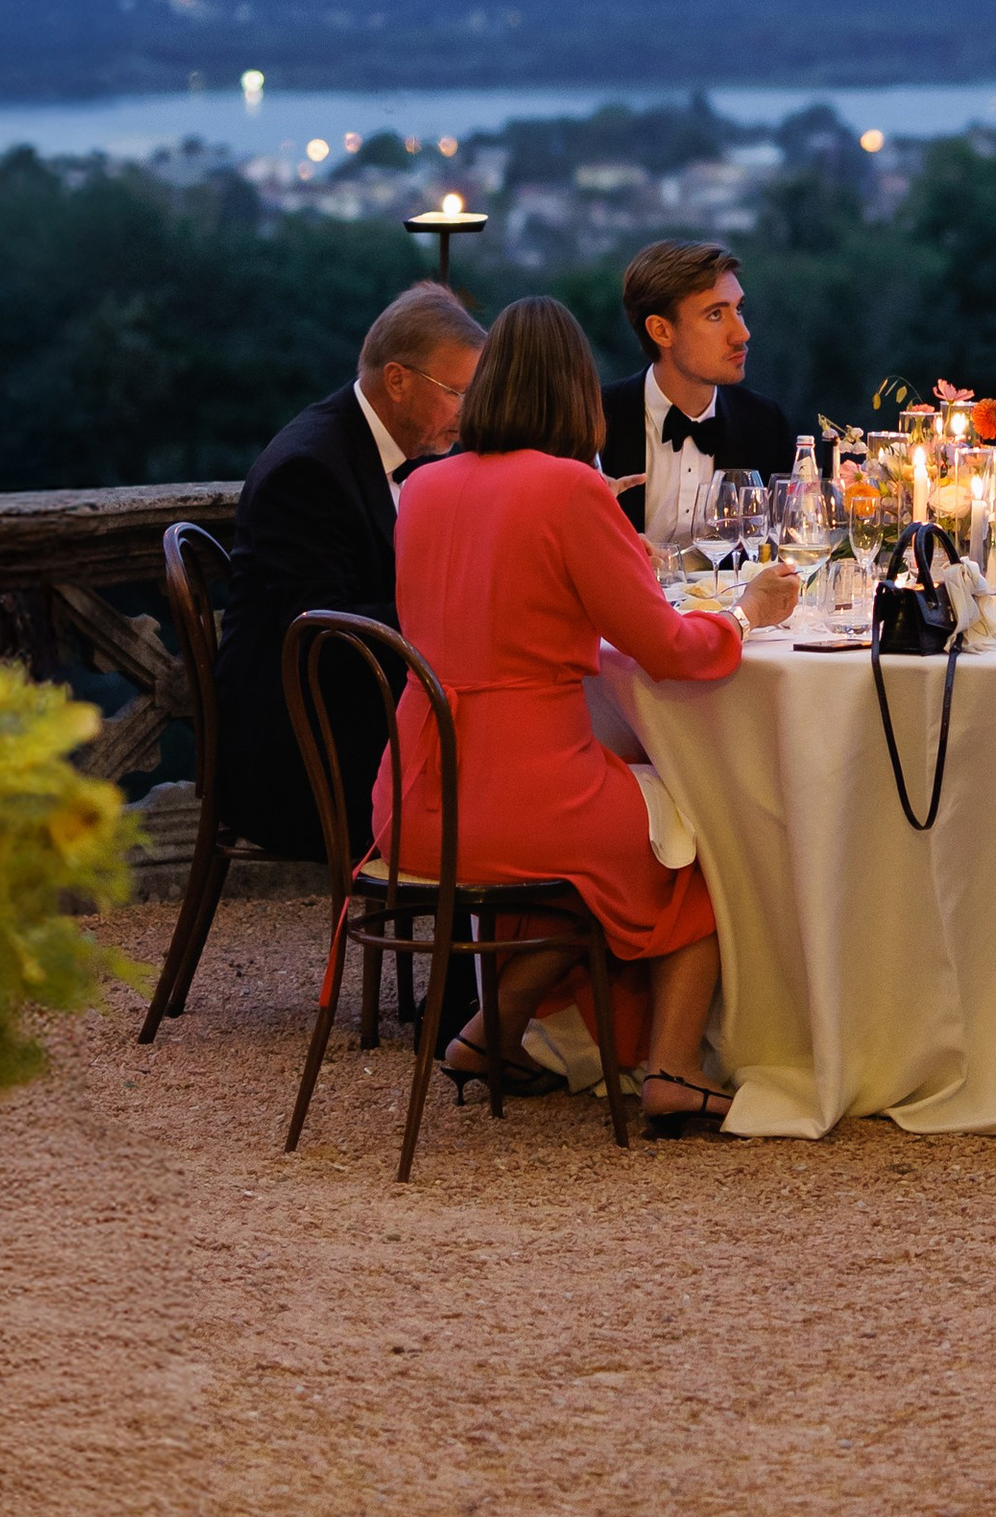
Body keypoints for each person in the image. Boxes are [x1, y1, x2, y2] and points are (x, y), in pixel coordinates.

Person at [378, 296, 796, 1133]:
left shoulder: (422, 486)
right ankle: (674, 1070)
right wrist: (748, 614)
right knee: (700, 835)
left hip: (418, 798)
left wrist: (606, 541)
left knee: (585, 871)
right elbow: (671, 649)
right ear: (575, 393)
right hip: (524, 800)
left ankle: (484, 1035)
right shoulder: (571, 490)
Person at [212, 282, 486, 861]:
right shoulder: (310, 469)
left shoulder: (388, 451)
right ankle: (482, 948)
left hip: (359, 720)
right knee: (506, 794)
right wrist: (459, 613)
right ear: (397, 380)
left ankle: (484, 950)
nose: (468, 415)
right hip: (306, 760)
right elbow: (319, 635)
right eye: (458, 392)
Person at [599, 239, 803, 555]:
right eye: (715, 315)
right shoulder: (596, 420)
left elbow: (786, 547)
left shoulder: (764, 424)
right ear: (661, 331)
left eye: (739, 309)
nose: (742, 334)